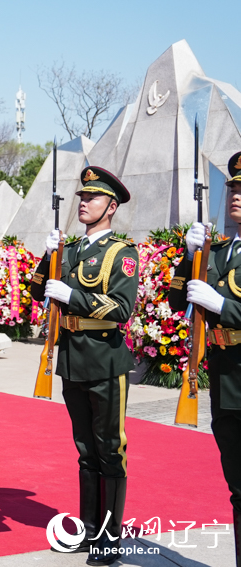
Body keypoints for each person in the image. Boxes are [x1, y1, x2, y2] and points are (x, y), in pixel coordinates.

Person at [30, 167, 138, 565]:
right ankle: (91, 529)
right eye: (81, 197)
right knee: (84, 450)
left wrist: (74, 295)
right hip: (73, 359)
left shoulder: (121, 252)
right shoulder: (71, 250)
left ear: (111, 207)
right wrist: (47, 255)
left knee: (111, 449)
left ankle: (110, 537)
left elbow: (122, 308)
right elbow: (37, 288)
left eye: (91, 198)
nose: (83, 203)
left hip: (105, 360)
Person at [169, 151, 241, 567]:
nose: (235, 194)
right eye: (232, 187)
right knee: (238, 488)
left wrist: (225, 307)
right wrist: (188, 253)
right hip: (225, 383)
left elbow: (219, 303)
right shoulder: (220, 252)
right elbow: (178, 298)